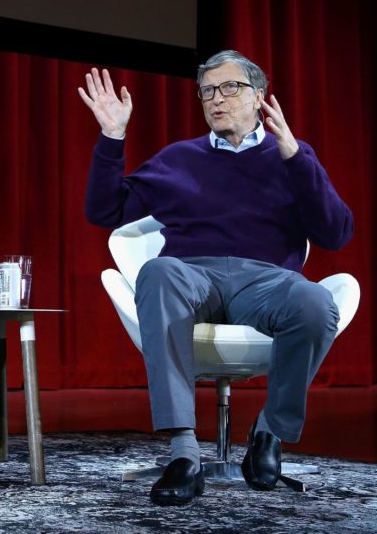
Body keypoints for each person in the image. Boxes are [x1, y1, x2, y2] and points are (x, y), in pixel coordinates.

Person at [79, 50, 353, 506]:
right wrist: (112, 137)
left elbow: (337, 233)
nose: (216, 99)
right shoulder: (179, 159)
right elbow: (104, 211)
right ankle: (183, 454)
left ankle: (269, 434)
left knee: (315, 303)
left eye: (229, 88)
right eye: (207, 91)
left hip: (266, 281)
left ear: (259, 97)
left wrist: (295, 158)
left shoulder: (289, 156)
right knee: (158, 272)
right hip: (192, 273)